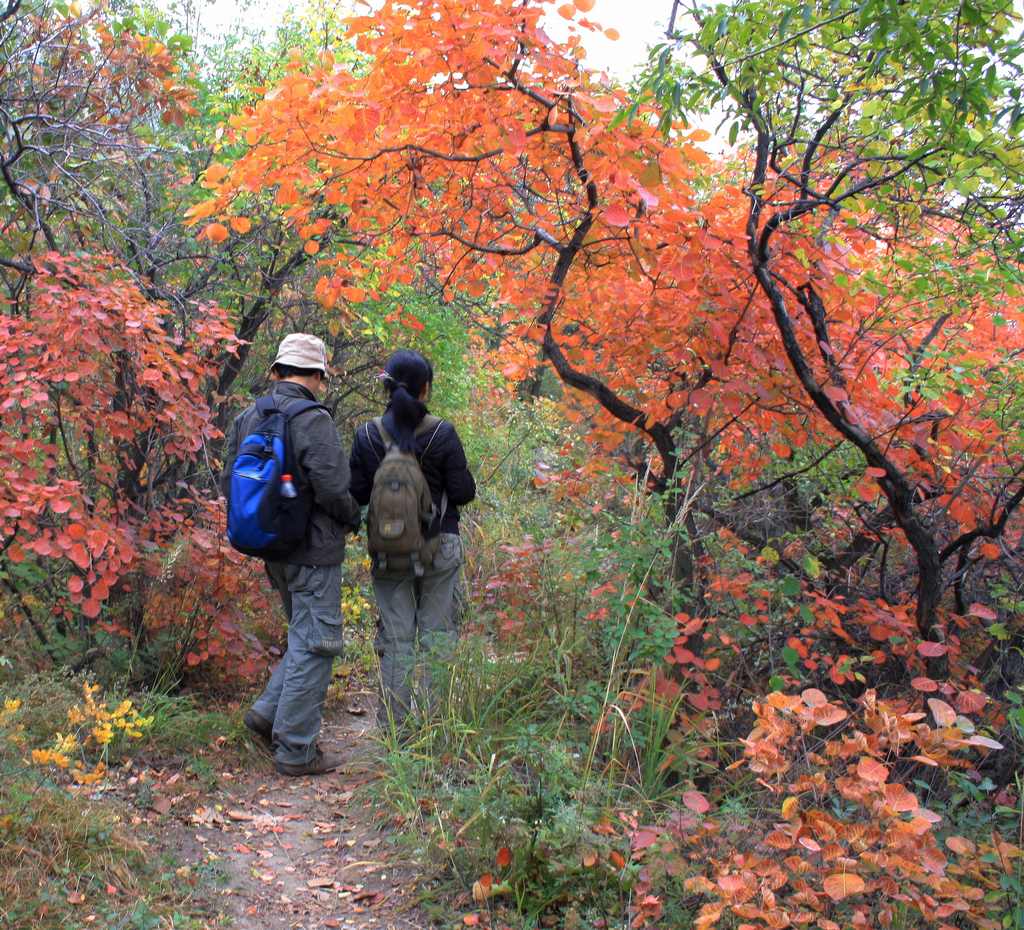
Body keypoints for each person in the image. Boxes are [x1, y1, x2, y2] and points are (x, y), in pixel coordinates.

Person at [220, 333, 360, 776]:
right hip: (313, 552)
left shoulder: (249, 415)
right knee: (317, 644)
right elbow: (336, 489)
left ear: (278, 370)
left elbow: (229, 479)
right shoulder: (312, 418)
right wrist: (353, 518)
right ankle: (296, 749)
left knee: (303, 637)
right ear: (317, 374)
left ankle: (266, 714)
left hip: (270, 547)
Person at [349, 349, 475, 729]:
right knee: (437, 635)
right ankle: (437, 730)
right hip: (441, 544)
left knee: (397, 641)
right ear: (426, 389)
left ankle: (394, 736)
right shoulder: (442, 432)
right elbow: (464, 492)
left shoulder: (367, 435)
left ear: (386, 387)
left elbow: (355, 494)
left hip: (390, 550)